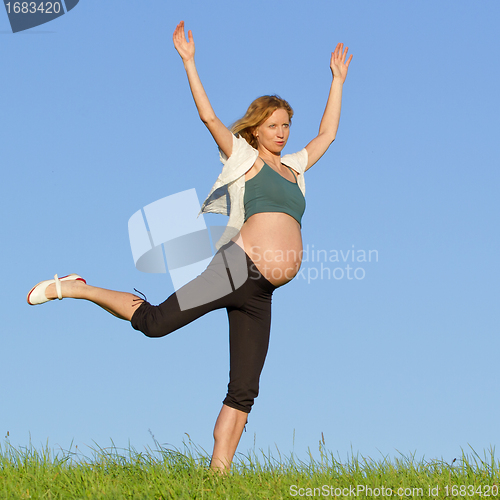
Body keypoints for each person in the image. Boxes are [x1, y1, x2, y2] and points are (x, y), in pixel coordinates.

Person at [26, 20, 352, 472]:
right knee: (155, 324)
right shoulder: (244, 158)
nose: (282, 132)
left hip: (262, 292)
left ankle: (219, 477)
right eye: (274, 125)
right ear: (257, 129)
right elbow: (209, 117)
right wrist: (189, 62)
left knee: (245, 388)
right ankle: (77, 287)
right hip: (235, 270)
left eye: (287, 125)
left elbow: (328, 135)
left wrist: (336, 82)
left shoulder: (296, 169)